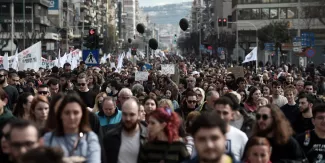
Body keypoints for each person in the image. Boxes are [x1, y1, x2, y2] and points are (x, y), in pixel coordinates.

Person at [43, 94, 101, 163]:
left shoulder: (90, 138)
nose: (71, 117)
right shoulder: (49, 138)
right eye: (67, 113)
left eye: (76, 113)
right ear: (60, 115)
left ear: (82, 115)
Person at [103, 98, 147, 163]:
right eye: (125, 114)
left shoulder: (149, 137)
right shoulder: (110, 138)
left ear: (138, 115)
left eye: (132, 114)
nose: (128, 118)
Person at [214, 96, 248, 161]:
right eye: (218, 112)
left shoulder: (241, 136)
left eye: (225, 113)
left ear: (232, 115)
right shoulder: (203, 135)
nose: (221, 117)